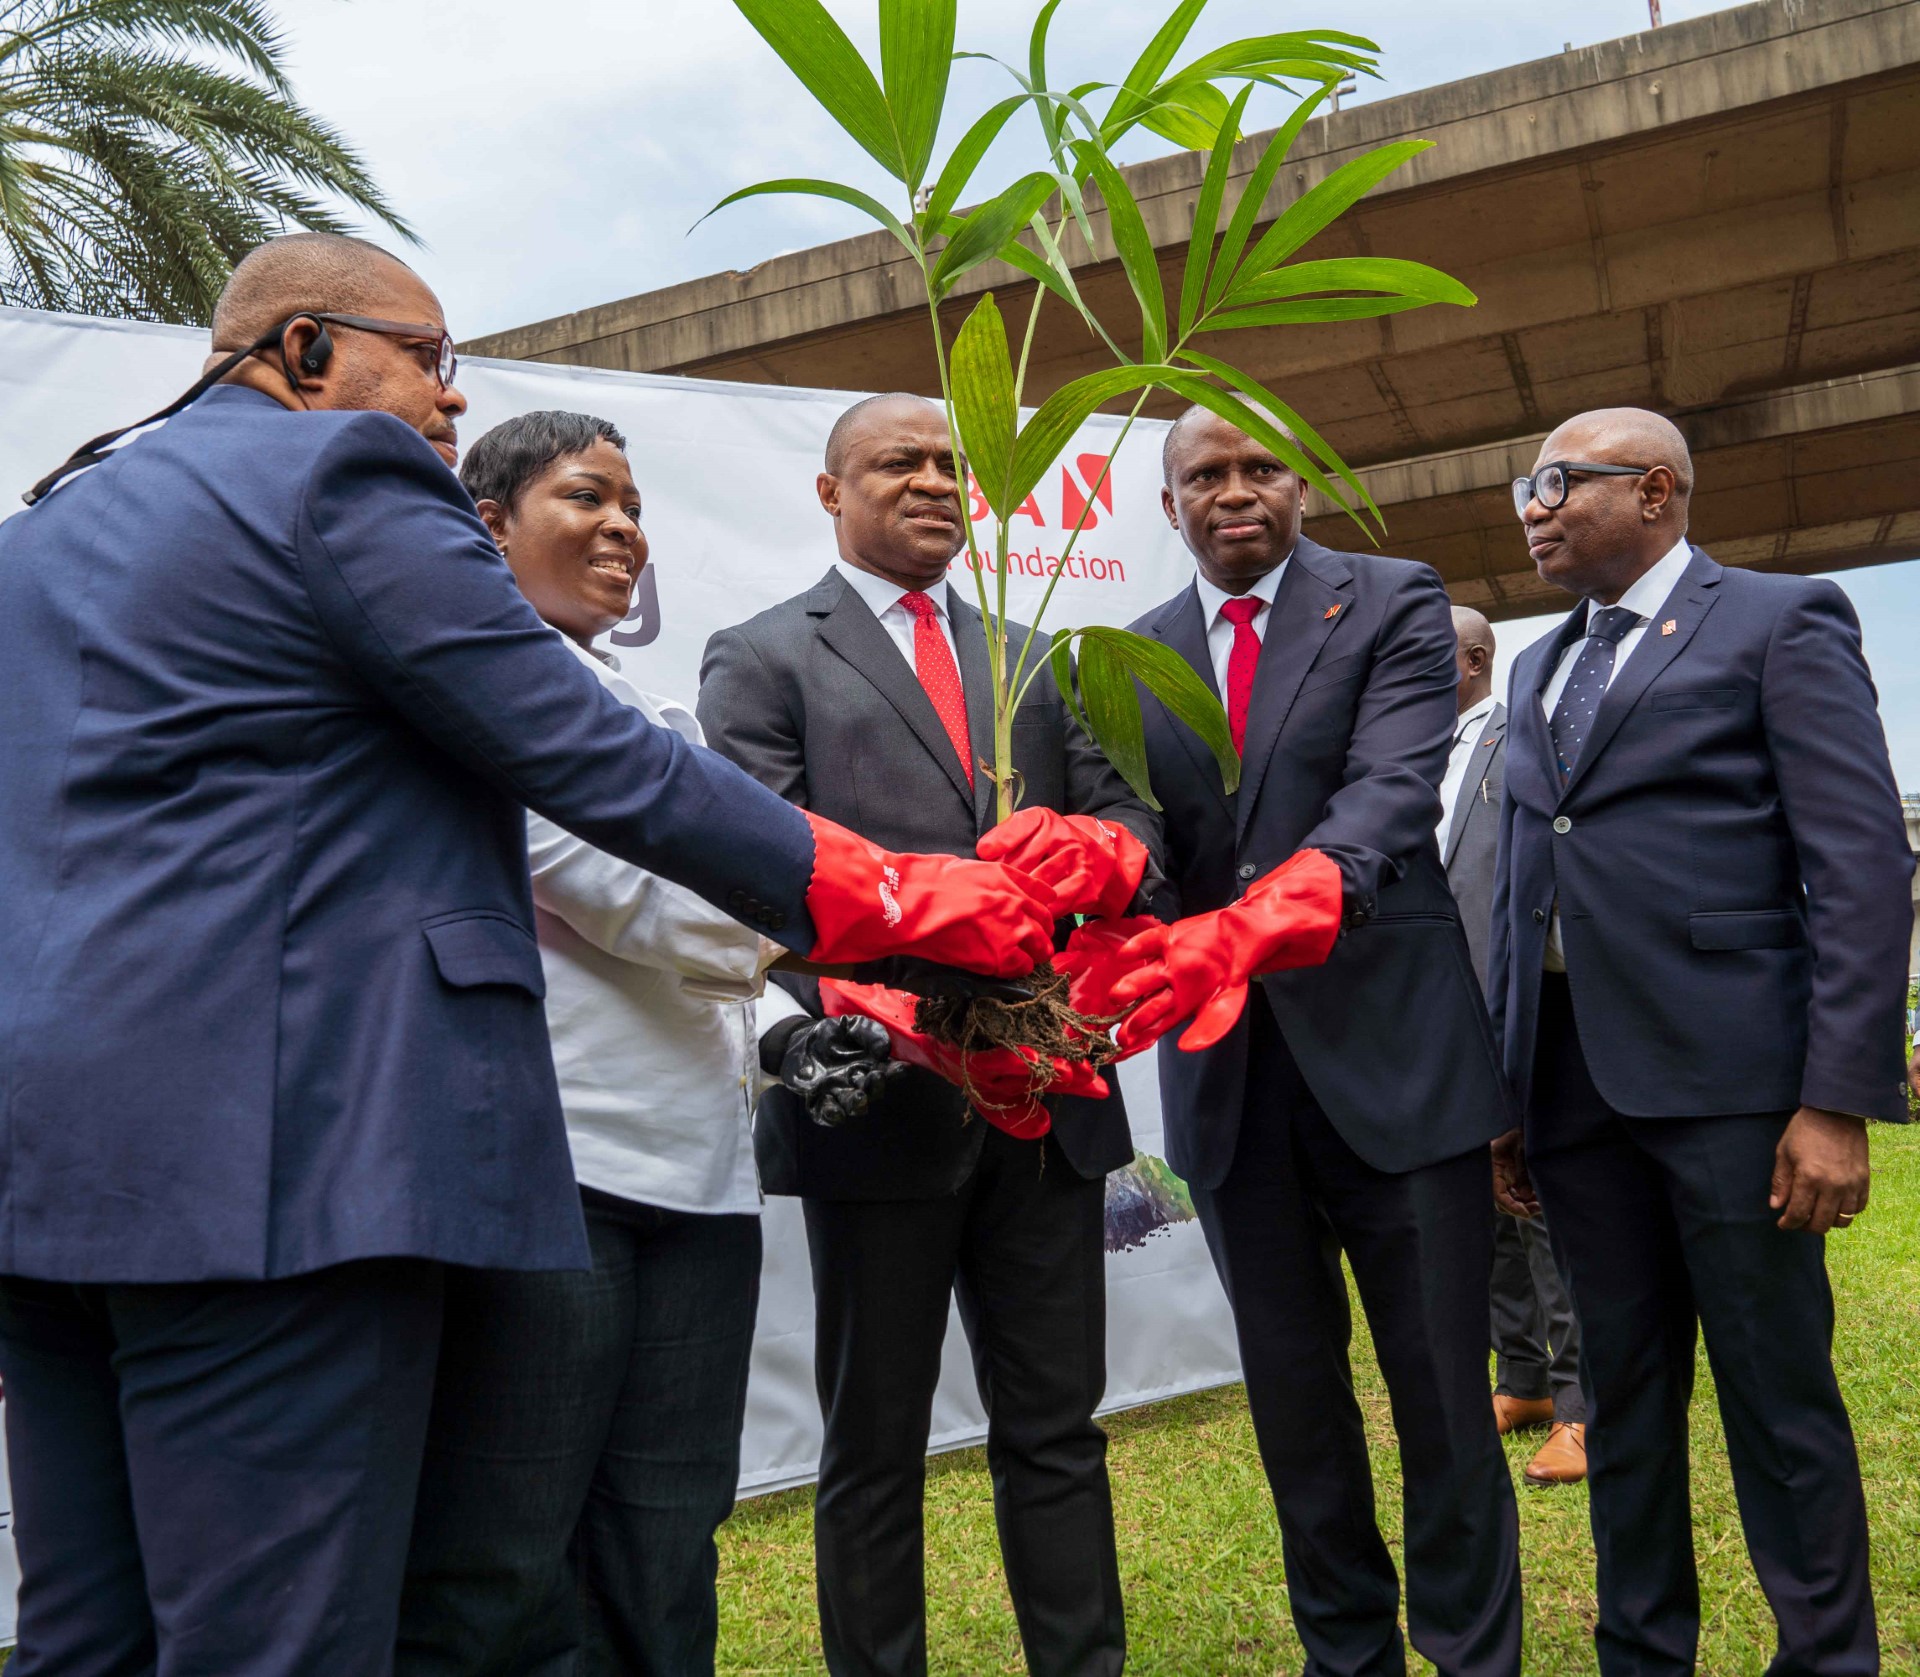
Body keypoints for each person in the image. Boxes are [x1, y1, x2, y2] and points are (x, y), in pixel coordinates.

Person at [0, 235, 1054, 1675]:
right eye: (429, 361)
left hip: (52, 1170)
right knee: (281, 1640)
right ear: (305, 352)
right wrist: (898, 898)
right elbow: (590, 763)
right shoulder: (339, 476)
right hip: (280, 1171)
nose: (448, 405)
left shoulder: (43, 531)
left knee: (87, 1636)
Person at [395, 411, 896, 1674]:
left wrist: (792, 1035)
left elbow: (716, 935)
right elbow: (626, 893)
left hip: (702, 1183)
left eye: (631, 503)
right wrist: (880, 936)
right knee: (506, 1554)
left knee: (669, 1538)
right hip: (552, 1177)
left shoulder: (654, 711)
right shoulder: (469, 692)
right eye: (585, 497)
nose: (623, 526)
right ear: (488, 523)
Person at [696, 393, 1162, 1677]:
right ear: (830, 492)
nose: (933, 482)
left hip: (1051, 1099)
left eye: (950, 464)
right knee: (874, 1444)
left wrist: (1103, 857)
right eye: (897, 462)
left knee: (1059, 1432)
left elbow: (1135, 832)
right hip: (880, 1102)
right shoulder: (764, 654)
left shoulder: (1037, 658)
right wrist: (921, 944)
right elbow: (760, 869)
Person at [1099, 406, 1523, 1677]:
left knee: (1446, 1397)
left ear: (1301, 482)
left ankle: (1470, 1654)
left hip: (1393, 1063)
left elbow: (1392, 791)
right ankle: (1348, 1656)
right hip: (1229, 1084)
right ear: (1168, 505)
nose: (1235, 493)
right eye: (1204, 476)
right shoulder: (1127, 656)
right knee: (1294, 1404)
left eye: (1259, 468)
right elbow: (1141, 847)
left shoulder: (1391, 599)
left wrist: (1265, 916)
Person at [1490, 407, 1914, 1675]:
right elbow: (1522, 885)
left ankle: (1828, 1658)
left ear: (1658, 491)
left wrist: (1835, 1097)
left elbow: (1858, 865)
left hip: (1737, 1096)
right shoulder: (1536, 664)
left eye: (1562, 481)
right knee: (1619, 1399)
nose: (1534, 507)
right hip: (1574, 1091)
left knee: (1778, 1398)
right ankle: (1643, 1648)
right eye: (1528, 485)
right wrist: (1509, 1094)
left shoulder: (1781, 621)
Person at [1440, 607, 1587, 1488]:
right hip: (1440, 1018)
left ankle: (1579, 1406)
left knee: (1540, 1209)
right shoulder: (1410, 753)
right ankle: (1523, 1377)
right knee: (1483, 1209)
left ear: (1470, 660)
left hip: (1512, 1006)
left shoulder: (1519, 735)